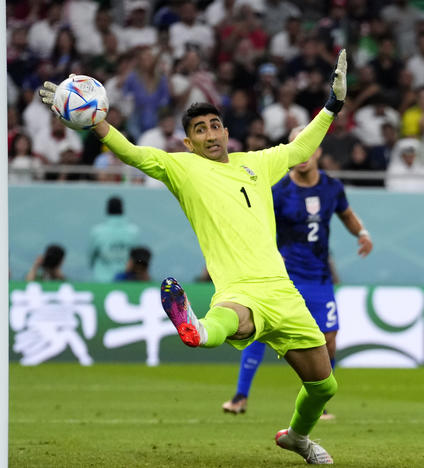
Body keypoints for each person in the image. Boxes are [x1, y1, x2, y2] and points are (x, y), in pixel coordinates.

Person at [39, 49, 348, 465]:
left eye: (216, 125)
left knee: (323, 385)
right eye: (200, 129)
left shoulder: (256, 164)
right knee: (234, 319)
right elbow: (131, 152)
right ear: (189, 142)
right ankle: (197, 330)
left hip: (284, 291)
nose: (211, 133)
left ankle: (297, 437)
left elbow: (301, 146)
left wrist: (333, 104)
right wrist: (96, 122)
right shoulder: (183, 169)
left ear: (226, 132)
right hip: (240, 288)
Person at [222, 125, 373, 417]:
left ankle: (319, 402)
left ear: (317, 150)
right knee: (259, 332)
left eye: (307, 145)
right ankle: (240, 396)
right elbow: (258, 227)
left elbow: (347, 214)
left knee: (328, 340)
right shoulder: (278, 192)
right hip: (284, 278)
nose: (302, 152)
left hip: (319, 279)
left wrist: (362, 233)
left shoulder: (332, 187)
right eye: (295, 145)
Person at [89, 196, 140, 283]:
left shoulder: (97, 232)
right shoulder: (133, 232)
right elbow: (137, 258)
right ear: (122, 210)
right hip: (125, 282)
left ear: (107, 209)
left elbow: (91, 257)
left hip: (101, 280)